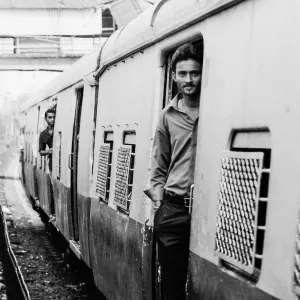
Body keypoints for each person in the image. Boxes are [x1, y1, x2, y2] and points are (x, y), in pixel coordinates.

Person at [149, 43, 202, 300]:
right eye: (183, 74)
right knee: (172, 285)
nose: (189, 80)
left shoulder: (215, 110)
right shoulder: (166, 116)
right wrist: (160, 203)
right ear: (174, 77)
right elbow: (158, 165)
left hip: (208, 212)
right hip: (174, 208)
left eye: (194, 73)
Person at [39, 108, 55, 174]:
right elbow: (41, 152)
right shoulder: (43, 134)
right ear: (46, 119)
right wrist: (48, 151)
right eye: (50, 117)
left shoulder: (57, 130)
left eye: (54, 117)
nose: (52, 119)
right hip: (52, 164)